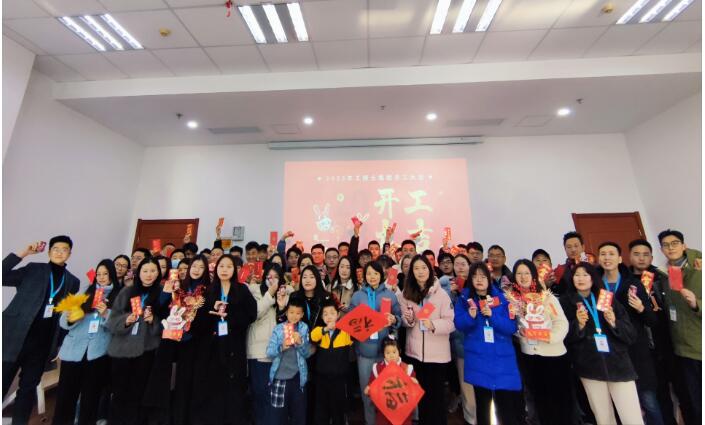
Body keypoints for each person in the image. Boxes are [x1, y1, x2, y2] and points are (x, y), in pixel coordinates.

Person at [2, 236, 81, 425]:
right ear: (49, 251)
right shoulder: (33, 269)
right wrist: (24, 253)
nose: (59, 252)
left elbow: (65, 315)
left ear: (70, 253)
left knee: (28, 390)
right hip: (15, 338)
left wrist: (59, 344)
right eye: (56, 248)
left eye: (64, 249)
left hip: (43, 345)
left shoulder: (73, 282)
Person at [559, 262, 642, 425]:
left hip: (618, 365)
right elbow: (564, 337)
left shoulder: (606, 298)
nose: (581, 279)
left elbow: (631, 334)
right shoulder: (566, 302)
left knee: (632, 418)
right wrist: (578, 325)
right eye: (577, 275)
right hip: (589, 367)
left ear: (593, 278)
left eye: (585, 275)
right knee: (603, 418)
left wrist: (614, 322)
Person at [596, 241, 661, 425]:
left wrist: (641, 308)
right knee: (623, 405)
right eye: (603, 254)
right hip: (611, 350)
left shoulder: (633, 284)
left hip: (636, 349)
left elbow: (652, 320)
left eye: (611, 254)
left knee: (648, 400)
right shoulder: (595, 285)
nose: (607, 257)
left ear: (619, 258)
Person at [504, 259, 575, 425]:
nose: (523, 277)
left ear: (533, 276)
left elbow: (561, 323)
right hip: (530, 357)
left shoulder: (546, 297)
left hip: (553, 355)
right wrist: (519, 332)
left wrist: (548, 337)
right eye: (519, 273)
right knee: (540, 401)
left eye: (527, 273)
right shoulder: (513, 301)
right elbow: (513, 326)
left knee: (559, 402)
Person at [143, 254, 211, 425]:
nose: (196, 270)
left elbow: (207, 320)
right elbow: (160, 310)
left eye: (201, 267)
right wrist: (166, 293)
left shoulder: (208, 291)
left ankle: (180, 418)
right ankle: (160, 419)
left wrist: (190, 321)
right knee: (164, 382)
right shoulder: (178, 286)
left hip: (191, 342)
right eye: (194, 266)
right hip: (170, 340)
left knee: (184, 384)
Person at [52, 259, 121, 425]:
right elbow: (63, 322)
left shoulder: (119, 296)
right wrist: (72, 317)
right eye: (99, 274)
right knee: (65, 397)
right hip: (73, 351)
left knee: (91, 398)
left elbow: (119, 327)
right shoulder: (84, 292)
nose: (101, 277)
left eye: (105, 274)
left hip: (98, 353)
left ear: (112, 275)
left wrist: (106, 314)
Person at [454, 262, 523, 425]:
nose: (479, 280)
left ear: (489, 279)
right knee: (483, 407)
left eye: (483, 276)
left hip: (502, 360)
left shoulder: (502, 299)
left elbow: (511, 327)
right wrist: (470, 316)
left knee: (506, 407)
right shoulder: (464, 299)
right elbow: (459, 324)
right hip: (478, 360)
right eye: (475, 276)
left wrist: (492, 316)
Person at [192, 254, 257, 425]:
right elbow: (197, 321)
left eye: (229, 266)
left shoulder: (242, 289)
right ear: (216, 269)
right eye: (221, 266)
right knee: (211, 386)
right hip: (211, 346)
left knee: (233, 388)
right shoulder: (208, 290)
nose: (224, 270)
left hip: (234, 344)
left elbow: (251, 314)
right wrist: (210, 312)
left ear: (234, 270)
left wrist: (230, 316)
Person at [397, 255, 455, 425]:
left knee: (436, 400)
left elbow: (451, 323)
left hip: (437, 356)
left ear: (430, 270)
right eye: (416, 268)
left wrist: (433, 325)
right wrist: (408, 320)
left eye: (423, 268)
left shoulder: (441, 295)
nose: (420, 272)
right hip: (415, 355)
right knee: (421, 399)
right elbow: (405, 322)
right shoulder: (406, 294)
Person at [105, 257, 163, 425]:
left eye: (153, 271)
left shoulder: (162, 293)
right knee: (119, 390)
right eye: (145, 271)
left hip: (146, 350)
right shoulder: (127, 291)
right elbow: (112, 320)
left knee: (139, 391)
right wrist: (126, 320)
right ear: (139, 273)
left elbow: (167, 323)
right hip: (122, 349)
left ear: (158, 273)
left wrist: (153, 321)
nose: (149, 274)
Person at [629, 239, 677, 425]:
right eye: (636, 254)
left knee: (672, 389)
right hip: (642, 348)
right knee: (650, 393)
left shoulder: (661, 276)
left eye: (646, 254)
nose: (641, 258)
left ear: (651, 256)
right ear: (629, 256)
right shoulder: (626, 281)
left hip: (666, 342)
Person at [350, 261, 402, 425]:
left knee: (387, 393)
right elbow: (351, 322)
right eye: (369, 273)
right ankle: (370, 421)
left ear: (382, 275)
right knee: (368, 392)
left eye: (375, 273)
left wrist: (394, 319)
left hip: (386, 353)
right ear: (364, 276)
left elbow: (399, 319)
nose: (372, 277)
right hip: (364, 352)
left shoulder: (390, 295)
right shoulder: (358, 296)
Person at [658, 229, 701, 425]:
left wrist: (697, 303)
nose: (671, 248)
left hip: (700, 345)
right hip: (682, 349)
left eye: (675, 243)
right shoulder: (664, 275)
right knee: (693, 400)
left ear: (684, 245)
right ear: (661, 250)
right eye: (666, 245)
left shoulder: (699, 267)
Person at [248, 262, 289, 425]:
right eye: (269, 277)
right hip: (259, 351)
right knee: (260, 393)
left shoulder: (286, 293)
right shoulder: (254, 291)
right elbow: (254, 313)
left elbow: (288, 321)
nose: (272, 280)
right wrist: (270, 295)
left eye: (276, 277)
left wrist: (282, 304)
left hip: (280, 352)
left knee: (276, 397)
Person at [266, 297, 311, 425]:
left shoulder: (304, 328)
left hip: (298, 378)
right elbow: (269, 352)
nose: (294, 316)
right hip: (279, 378)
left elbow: (306, 353)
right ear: (286, 312)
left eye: (298, 313)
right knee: (278, 416)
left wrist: (300, 343)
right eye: (291, 312)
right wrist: (281, 347)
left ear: (302, 314)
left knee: (299, 415)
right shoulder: (278, 329)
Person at [310, 298, 354, 425]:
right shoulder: (320, 330)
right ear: (322, 317)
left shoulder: (346, 331)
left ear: (338, 314)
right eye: (325, 314)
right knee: (321, 409)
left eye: (332, 313)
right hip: (322, 378)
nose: (329, 316)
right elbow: (312, 337)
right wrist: (325, 329)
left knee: (338, 410)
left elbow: (359, 333)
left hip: (339, 379)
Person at [363, 336, 418, 425]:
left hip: (402, 411)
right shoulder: (377, 368)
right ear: (383, 354)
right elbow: (371, 385)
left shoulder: (407, 368)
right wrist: (369, 388)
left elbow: (414, 388)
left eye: (394, 352)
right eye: (388, 353)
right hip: (384, 411)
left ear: (399, 351)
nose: (391, 355)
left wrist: (414, 382)